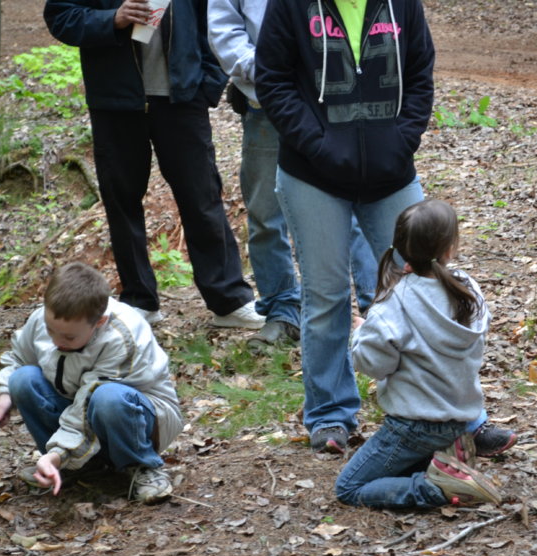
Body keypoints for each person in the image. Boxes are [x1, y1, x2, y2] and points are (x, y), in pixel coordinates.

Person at [255, 0, 434, 453]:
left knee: (425, 283)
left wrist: (402, 141)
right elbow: (272, 81)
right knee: (327, 293)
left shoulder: (401, 4)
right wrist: (317, 144)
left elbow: (419, 73)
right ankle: (331, 415)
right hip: (312, 172)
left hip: (390, 170)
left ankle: (446, 413)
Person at [44, 0, 264, 330]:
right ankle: (139, 300)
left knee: (202, 197)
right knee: (122, 202)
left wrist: (207, 83)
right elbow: (60, 16)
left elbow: (215, 20)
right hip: (114, 101)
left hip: (183, 97)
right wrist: (111, 19)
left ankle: (229, 300)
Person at [207, 2, 379, 348]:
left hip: (335, 98)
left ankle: (376, 311)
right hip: (265, 104)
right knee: (266, 213)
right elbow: (224, 30)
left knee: (355, 201)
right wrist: (271, 70)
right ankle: (283, 310)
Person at [334, 200, 502, 509]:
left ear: (400, 247)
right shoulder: (467, 291)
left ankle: (435, 488)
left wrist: (362, 331)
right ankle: (447, 455)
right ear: (450, 248)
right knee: (402, 463)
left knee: (349, 487)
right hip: (460, 418)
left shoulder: (393, 302)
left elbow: (374, 365)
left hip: (412, 426)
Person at [0, 262, 183, 503]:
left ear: (99, 322)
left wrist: (59, 452)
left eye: (69, 337)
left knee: (108, 397)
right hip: (78, 406)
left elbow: (88, 400)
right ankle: (78, 468)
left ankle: (141, 467)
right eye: (50, 331)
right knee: (22, 380)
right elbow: (19, 358)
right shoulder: (44, 318)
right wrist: (6, 393)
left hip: (141, 417)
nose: (57, 341)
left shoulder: (122, 337)